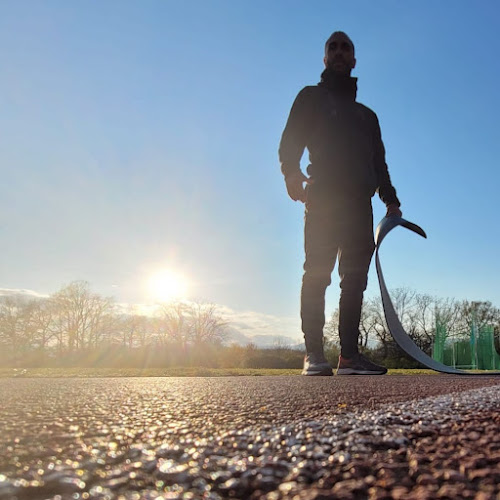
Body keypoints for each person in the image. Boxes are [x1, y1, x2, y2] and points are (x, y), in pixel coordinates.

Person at [279, 31, 402, 376]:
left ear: (353, 60)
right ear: (324, 58)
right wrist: (290, 172)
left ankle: (349, 357)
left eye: (345, 47)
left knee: (354, 279)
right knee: (317, 273)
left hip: (359, 206)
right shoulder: (310, 97)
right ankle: (313, 355)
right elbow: (291, 140)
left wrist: (390, 200)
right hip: (322, 200)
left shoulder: (367, 116)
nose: (338, 51)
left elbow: (379, 163)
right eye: (332, 46)